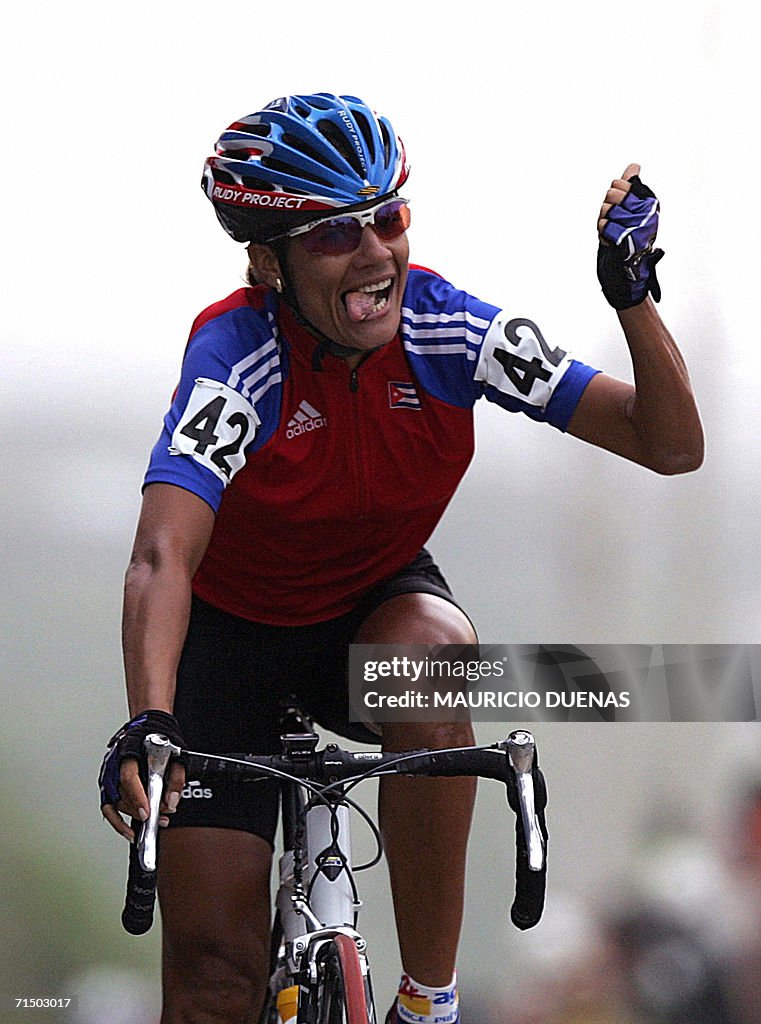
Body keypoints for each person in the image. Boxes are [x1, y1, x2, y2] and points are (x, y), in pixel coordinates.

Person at [99, 92, 704, 1024]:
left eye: (388, 216)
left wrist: (631, 298)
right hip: (229, 642)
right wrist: (150, 719)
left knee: (429, 661)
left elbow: (667, 445)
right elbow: (161, 555)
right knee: (215, 977)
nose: (375, 251)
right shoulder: (234, 356)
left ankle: (429, 1001)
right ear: (269, 263)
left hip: (365, 610)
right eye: (335, 234)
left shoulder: (449, 328)